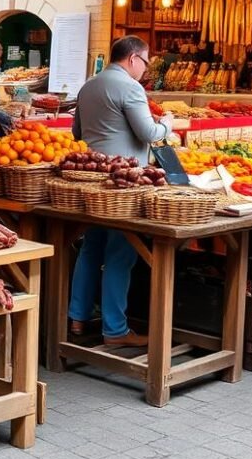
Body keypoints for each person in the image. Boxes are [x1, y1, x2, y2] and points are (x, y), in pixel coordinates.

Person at [69, 35, 174, 347]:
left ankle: (77, 317)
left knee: (91, 248)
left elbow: (77, 132)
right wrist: (168, 123)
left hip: (91, 180)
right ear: (132, 59)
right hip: (122, 184)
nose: (145, 69)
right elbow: (149, 133)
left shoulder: (89, 86)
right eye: (146, 62)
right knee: (121, 252)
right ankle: (115, 330)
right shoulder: (130, 87)